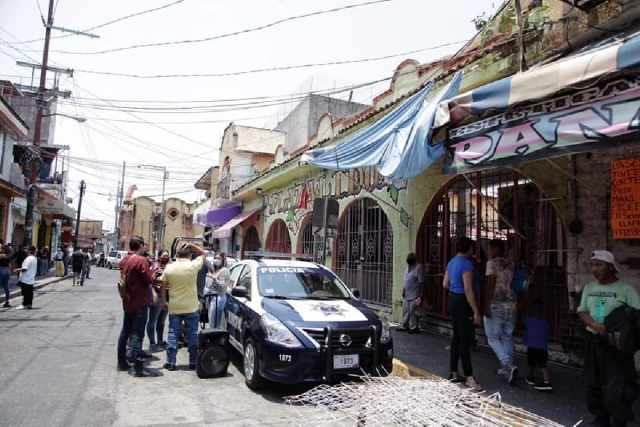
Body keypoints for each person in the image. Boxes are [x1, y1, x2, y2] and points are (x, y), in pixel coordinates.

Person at [577, 250, 640, 427]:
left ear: (611, 267)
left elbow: (637, 317)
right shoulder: (590, 288)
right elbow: (582, 311)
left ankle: (619, 421)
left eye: (599, 265)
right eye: (592, 265)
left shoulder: (626, 290)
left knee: (617, 386)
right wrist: (595, 325)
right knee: (592, 382)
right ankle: (600, 419)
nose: (594, 269)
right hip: (593, 341)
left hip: (616, 346)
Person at [442, 237, 483, 392]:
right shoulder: (467, 264)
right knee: (464, 339)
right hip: (462, 301)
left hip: (452, 300)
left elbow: (445, 284)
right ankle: (469, 377)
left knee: (457, 337)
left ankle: (453, 372)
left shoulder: (452, 262)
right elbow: (468, 289)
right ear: (468, 249)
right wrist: (476, 311)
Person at [116, 236, 160, 377]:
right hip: (140, 302)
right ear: (140, 245)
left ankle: (121, 362)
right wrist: (155, 274)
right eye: (144, 245)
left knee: (125, 332)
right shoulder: (141, 260)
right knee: (137, 335)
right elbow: (148, 279)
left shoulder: (124, 260)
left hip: (128, 301)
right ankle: (138, 367)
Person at [160, 241, 205, 371]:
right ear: (190, 256)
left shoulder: (169, 268)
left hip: (175, 306)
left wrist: (164, 301)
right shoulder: (192, 266)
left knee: (173, 334)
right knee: (192, 334)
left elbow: (163, 286)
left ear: (177, 255)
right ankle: (192, 362)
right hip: (191, 306)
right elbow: (203, 253)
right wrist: (191, 245)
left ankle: (171, 362)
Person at [483, 239, 518, 385]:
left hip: (496, 304)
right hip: (511, 304)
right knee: (507, 337)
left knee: (492, 338)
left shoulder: (492, 263)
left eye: (490, 249)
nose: (488, 252)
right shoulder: (511, 263)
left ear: (497, 249)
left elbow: (491, 285)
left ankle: (507, 364)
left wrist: (486, 305)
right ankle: (508, 367)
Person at [522, 299, 552, 391]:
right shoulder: (545, 323)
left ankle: (530, 377)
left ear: (531, 310)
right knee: (543, 365)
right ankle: (546, 381)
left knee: (531, 363)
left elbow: (522, 323)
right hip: (542, 347)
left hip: (532, 346)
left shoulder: (528, 320)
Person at [148, 249, 170, 351]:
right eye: (164, 256)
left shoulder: (168, 268)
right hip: (158, 295)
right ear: (159, 256)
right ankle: (152, 343)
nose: (166, 258)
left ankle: (160, 341)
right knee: (153, 320)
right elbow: (150, 281)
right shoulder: (156, 267)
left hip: (166, 296)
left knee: (161, 321)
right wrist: (153, 294)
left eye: (167, 256)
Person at [397, 252, 424, 334]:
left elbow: (421, 282)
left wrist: (421, 293)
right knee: (405, 310)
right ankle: (404, 325)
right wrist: (403, 290)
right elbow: (405, 280)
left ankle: (414, 327)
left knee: (412, 311)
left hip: (415, 293)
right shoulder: (407, 268)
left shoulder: (418, 268)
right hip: (407, 293)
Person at [205, 251, 230, 328]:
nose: (216, 260)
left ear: (223, 260)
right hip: (212, 297)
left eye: (218, 258)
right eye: (215, 258)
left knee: (214, 323)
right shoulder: (216, 270)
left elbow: (223, 287)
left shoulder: (224, 270)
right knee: (212, 321)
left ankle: (214, 338)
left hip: (218, 298)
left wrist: (213, 277)